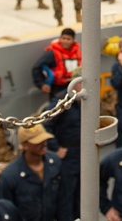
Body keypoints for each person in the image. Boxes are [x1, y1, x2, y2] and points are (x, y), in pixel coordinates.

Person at [0, 125, 72, 221]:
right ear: (25, 145)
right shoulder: (10, 176)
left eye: (44, 139)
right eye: (38, 141)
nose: (44, 143)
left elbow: (64, 201)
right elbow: (4, 212)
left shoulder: (55, 163)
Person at [43, 89, 81, 219]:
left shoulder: (88, 101)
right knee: (66, 195)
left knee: (81, 194)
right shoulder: (62, 101)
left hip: (84, 154)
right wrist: (56, 148)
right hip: (68, 156)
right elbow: (45, 125)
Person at [32, 28, 81, 99]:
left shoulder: (78, 53)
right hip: (58, 89)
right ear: (60, 39)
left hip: (74, 87)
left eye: (68, 39)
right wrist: (41, 84)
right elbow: (36, 67)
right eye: (63, 38)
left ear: (73, 40)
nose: (65, 41)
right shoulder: (52, 53)